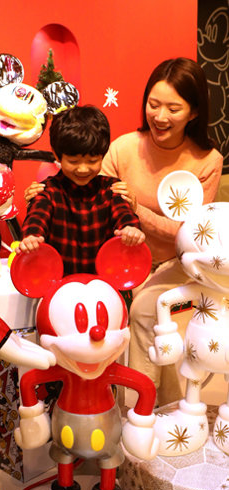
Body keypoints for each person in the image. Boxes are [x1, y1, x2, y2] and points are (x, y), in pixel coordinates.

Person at [100, 57, 223, 405]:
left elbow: (191, 234)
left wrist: (137, 210)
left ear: (194, 112)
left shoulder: (207, 161)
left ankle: (138, 411)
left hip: (183, 269)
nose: (160, 116)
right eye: (153, 104)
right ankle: (165, 407)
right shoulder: (123, 148)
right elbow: (96, 202)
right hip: (123, 260)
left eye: (173, 108)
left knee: (147, 309)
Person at [18, 105, 144, 276]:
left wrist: (130, 229)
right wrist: (32, 237)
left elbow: (123, 213)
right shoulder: (47, 191)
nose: (83, 169)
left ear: (103, 155)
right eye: (74, 161)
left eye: (92, 161)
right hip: (60, 283)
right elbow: (37, 216)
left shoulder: (112, 189)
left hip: (104, 282)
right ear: (57, 155)